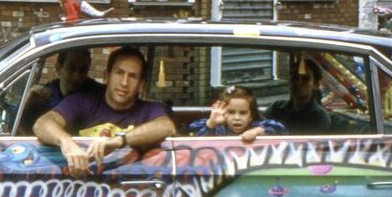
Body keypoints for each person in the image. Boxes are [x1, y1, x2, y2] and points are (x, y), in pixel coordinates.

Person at [34, 45, 175, 176]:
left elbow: (166, 127)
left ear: (140, 84)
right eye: (119, 73)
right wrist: (67, 143)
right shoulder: (82, 102)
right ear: (106, 76)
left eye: (132, 76)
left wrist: (118, 141)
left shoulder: (149, 109)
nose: (124, 82)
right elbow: (42, 124)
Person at [188, 85, 286, 144]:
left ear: (251, 115)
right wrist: (211, 123)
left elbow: (280, 129)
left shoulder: (256, 125)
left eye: (243, 113)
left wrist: (258, 131)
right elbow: (192, 137)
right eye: (231, 112)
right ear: (223, 112)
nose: (237, 118)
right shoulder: (216, 128)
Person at [266, 57, 331, 134]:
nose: (298, 82)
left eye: (305, 79)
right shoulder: (276, 108)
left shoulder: (319, 116)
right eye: (295, 77)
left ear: (316, 85)